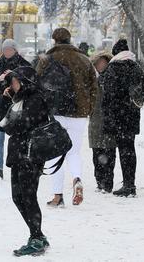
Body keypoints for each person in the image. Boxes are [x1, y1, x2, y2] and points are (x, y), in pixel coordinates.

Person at [36, 28, 97, 206]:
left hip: (56, 112)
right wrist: (88, 108)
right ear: (70, 40)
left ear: (54, 41)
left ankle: (58, 196)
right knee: (74, 152)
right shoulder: (84, 60)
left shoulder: (47, 60)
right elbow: (94, 87)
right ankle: (77, 178)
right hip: (78, 113)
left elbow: (37, 84)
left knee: (56, 153)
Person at [0, 66, 50, 257]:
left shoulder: (35, 98)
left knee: (27, 197)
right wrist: (7, 99)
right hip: (20, 154)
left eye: (15, 81)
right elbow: (2, 122)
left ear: (25, 82)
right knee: (18, 196)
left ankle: (36, 238)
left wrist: (12, 122)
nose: (12, 85)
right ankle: (37, 235)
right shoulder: (20, 99)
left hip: (30, 155)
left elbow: (19, 125)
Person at [101, 39, 144, 197]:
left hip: (116, 116)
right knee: (129, 150)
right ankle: (130, 183)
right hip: (131, 116)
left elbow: (108, 93)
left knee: (116, 150)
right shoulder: (136, 67)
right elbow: (143, 92)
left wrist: (109, 111)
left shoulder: (113, 67)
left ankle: (116, 184)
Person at [0, 39, 31, 179]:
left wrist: (15, 79)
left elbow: (30, 84)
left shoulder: (24, 65)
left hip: (17, 106)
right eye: (4, 49)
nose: (7, 52)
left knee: (18, 138)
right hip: (1, 106)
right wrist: (0, 80)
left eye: (9, 49)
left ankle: (19, 165)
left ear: (15, 50)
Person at [88, 52, 116, 193]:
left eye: (103, 63)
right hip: (96, 121)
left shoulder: (112, 78)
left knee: (109, 153)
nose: (101, 66)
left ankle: (108, 182)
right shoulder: (92, 80)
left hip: (110, 120)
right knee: (97, 153)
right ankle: (100, 181)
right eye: (98, 63)